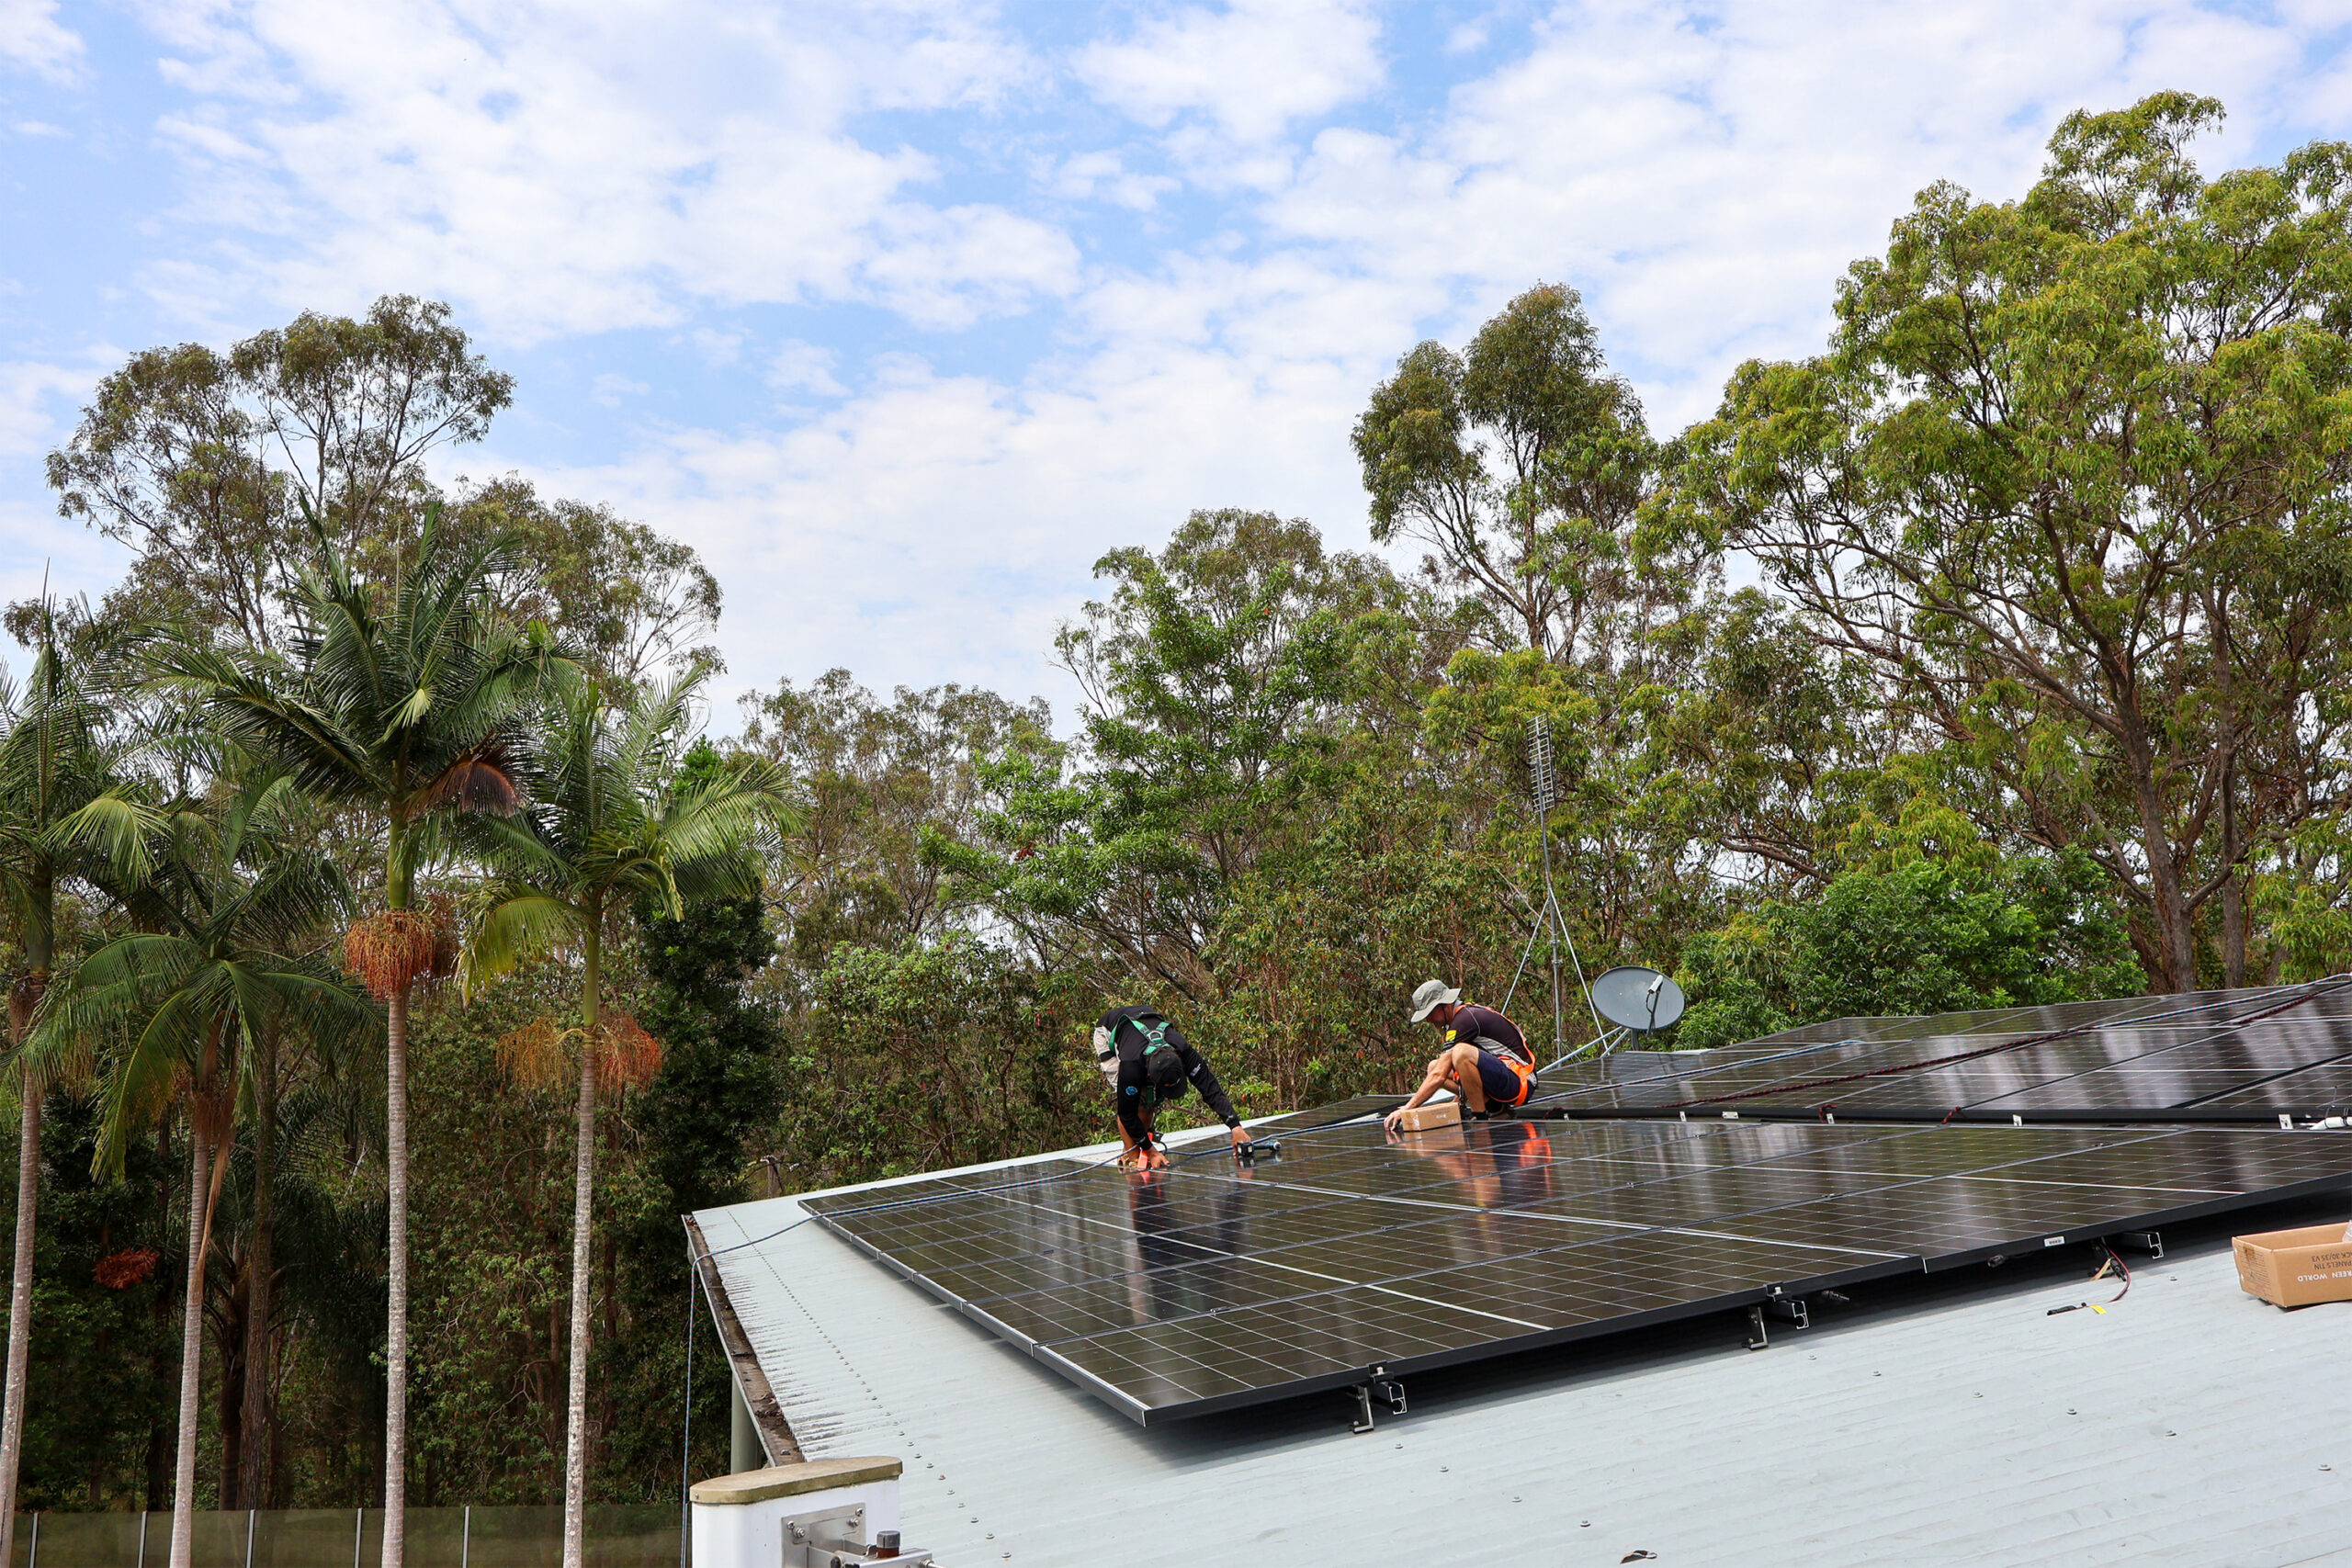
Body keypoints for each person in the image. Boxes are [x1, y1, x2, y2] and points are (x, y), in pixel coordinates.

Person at [1092, 1004, 1253, 1168]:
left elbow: (1209, 1087)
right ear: (1149, 1074)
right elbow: (1126, 1113)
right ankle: (1132, 1159)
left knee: (1150, 1101)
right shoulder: (1131, 1066)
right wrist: (1151, 1151)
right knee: (1136, 1102)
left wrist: (1235, 1127)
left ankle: (1143, 1149)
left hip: (1145, 1024)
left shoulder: (1183, 1051)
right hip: (1108, 1032)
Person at [1383, 980, 1538, 1134]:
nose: (1429, 1020)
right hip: (1503, 1079)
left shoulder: (1465, 1019)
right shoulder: (1459, 1020)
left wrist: (1406, 1109)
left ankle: (1481, 1118)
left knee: (1459, 1053)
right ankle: (1494, 1106)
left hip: (1520, 1083)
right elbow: (1450, 1070)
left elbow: (1440, 1075)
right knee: (1433, 1066)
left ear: (1444, 1005)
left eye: (1430, 1014)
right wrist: (1456, 1104)